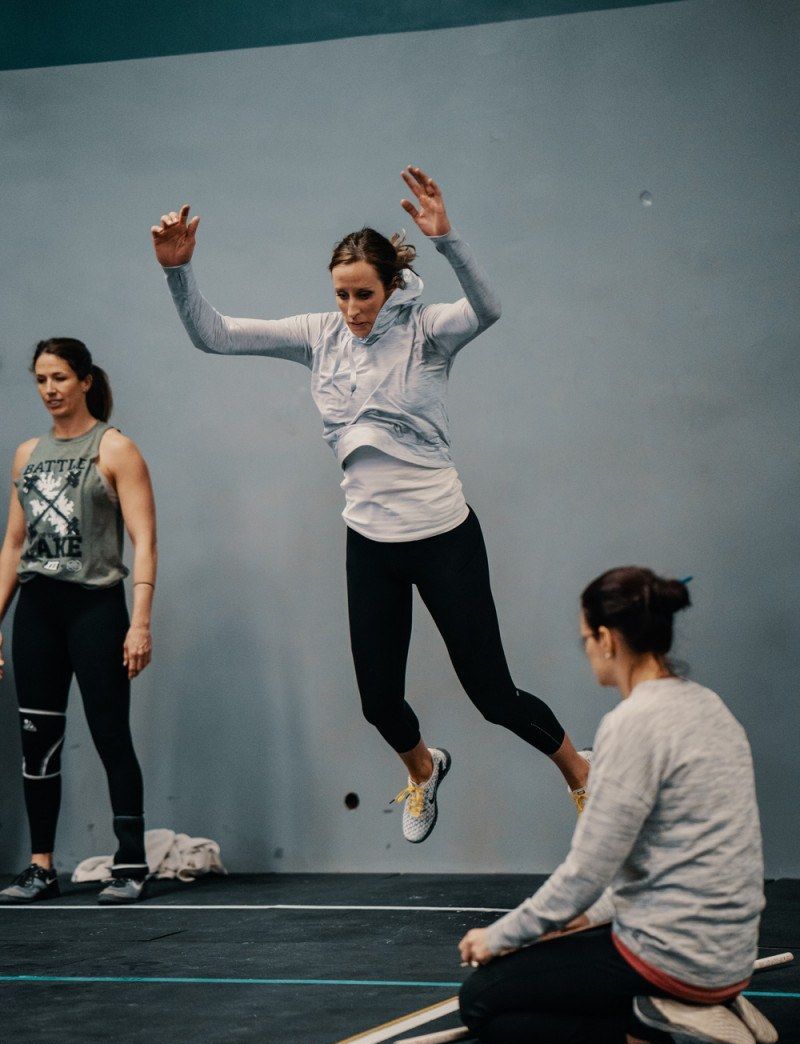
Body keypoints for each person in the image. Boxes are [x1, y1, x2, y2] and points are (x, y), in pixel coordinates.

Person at [151, 166, 589, 843]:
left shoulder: (429, 331)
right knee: (378, 702)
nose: (353, 309)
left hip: (443, 535)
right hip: (371, 543)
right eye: (342, 294)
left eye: (365, 295)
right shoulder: (318, 335)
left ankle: (581, 773)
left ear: (391, 288)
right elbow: (216, 334)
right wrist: (178, 272)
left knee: (493, 695)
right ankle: (424, 769)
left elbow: (489, 309)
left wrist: (448, 240)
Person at [458, 567, 776, 1044]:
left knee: (481, 1001)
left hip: (674, 961)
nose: (587, 649)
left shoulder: (631, 724)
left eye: (586, 638)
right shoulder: (711, 707)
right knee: (562, 947)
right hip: (730, 960)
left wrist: (498, 937)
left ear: (607, 640)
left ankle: (656, 1029)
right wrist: (583, 920)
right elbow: (666, 864)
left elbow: (586, 873)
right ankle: (703, 1006)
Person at [0, 338, 157, 905]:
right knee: (37, 743)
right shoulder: (27, 454)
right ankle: (41, 867)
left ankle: (131, 863)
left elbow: (145, 540)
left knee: (111, 734)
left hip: (95, 609)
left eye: (60, 378)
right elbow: (13, 544)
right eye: (42, 379)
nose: (50, 389)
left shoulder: (115, 448)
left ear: (85, 380)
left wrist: (140, 623)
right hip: (37, 613)